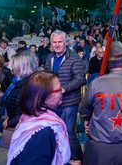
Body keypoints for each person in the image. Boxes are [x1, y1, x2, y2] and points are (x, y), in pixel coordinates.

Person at [7, 71, 80, 165]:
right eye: (58, 90)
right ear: (44, 98)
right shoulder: (43, 131)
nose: (62, 91)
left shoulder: (32, 116)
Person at [44, 30, 85, 161]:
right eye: (54, 42)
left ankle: (79, 159)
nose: (57, 45)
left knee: (68, 132)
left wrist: (63, 89)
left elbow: (80, 79)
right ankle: (62, 159)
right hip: (52, 101)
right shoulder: (49, 57)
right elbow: (46, 75)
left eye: (60, 42)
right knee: (55, 132)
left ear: (66, 42)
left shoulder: (74, 58)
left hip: (69, 101)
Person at [1, 51, 37, 129]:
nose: (11, 67)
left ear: (22, 66)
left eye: (13, 64)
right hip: (15, 121)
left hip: (22, 125)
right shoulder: (16, 81)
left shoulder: (30, 84)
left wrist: (11, 121)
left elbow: (30, 111)